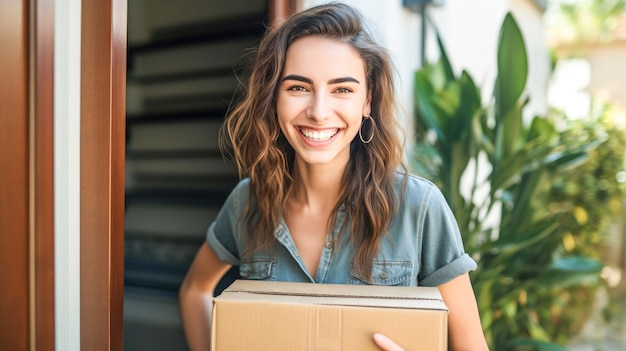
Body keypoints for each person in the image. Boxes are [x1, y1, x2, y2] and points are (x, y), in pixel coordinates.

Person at [179, 2, 489, 350]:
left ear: (367, 101)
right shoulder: (248, 201)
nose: (318, 112)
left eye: (342, 89)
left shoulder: (419, 208)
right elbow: (195, 290)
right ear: (273, 96)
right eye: (298, 87)